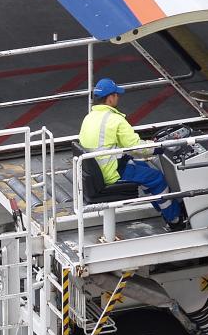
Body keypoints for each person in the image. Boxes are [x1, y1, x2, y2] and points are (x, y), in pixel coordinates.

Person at [78, 78, 187, 231]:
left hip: (99, 168)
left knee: (142, 166)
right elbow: (136, 148)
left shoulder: (89, 117)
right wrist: (158, 147)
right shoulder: (115, 119)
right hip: (111, 172)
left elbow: (115, 143)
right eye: (117, 95)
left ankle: (164, 206)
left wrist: (148, 145)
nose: (118, 97)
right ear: (110, 98)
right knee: (157, 178)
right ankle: (175, 219)